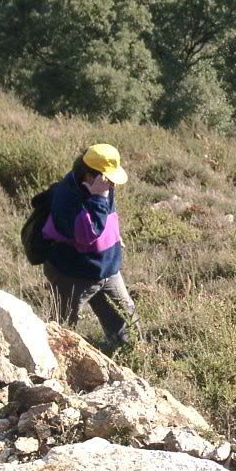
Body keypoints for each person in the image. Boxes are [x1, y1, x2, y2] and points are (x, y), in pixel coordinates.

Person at [42, 144, 138, 349]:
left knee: (128, 329)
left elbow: (107, 217)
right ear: (89, 175)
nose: (112, 184)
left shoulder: (103, 186)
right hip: (74, 275)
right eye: (108, 179)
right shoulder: (67, 197)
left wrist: (114, 236)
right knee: (60, 332)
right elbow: (87, 234)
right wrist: (98, 198)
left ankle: (129, 357)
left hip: (107, 269)